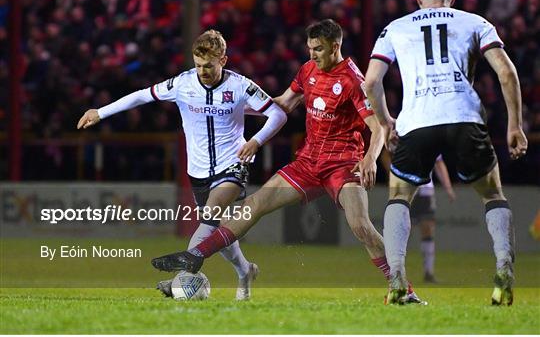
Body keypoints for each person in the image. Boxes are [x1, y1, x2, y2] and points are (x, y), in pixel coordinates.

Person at [151, 19, 423, 304]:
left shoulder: (353, 81)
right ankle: (196, 255)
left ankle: (402, 287)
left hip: (342, 164)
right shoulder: (308, 71)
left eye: (318, 49)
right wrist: (228, 105)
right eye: (309, 49)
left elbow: (378, 127)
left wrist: (370, 159)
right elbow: (282, 103)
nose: (312, 55)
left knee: (360, 226)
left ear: (335, 46)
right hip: (308, 162)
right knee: (252, 206)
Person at [77, 30, 287, 300]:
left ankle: (182, 276)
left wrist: (256, 142)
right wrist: (100, 112)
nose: (203, 71)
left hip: (233, 164)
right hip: (198, 170)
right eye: (198, 65)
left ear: (223, 59)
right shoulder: (182, 83)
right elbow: (142, 96)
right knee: (216, 227)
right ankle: (245, 270)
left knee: (210, 216)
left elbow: (277, 114)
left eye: (209, 66)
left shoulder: (240, 86)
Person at [363, 0, 527, 305]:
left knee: (399, 197)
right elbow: (507, 72)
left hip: (417, 122)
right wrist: (515, 125)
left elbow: (370, 83)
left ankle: (396, 277)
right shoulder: (475, 22)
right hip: (464, 118)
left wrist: (385, 122)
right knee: (493, 195)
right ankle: (503, 267)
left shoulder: (395, 28)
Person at [381, 151, 455, 283]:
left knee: (428, 229)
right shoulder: (400, 131)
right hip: (405, 188)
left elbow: (438, 162)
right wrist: (393, 175)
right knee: (402, 231)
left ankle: (429, 273)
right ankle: (394, 271)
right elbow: (385, 154)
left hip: (426, 190)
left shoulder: (431, 135)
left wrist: (448, 187)